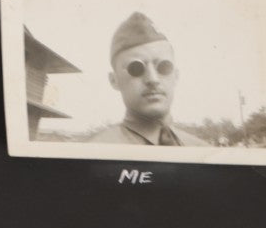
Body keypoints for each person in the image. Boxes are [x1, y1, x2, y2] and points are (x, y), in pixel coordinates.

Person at [88, 13, 206, 147]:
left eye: (163, 67)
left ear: (176, 75)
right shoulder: (96, 151)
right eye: (136, 69)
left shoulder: (202, 150)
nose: (153, 79)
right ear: (114, 80)